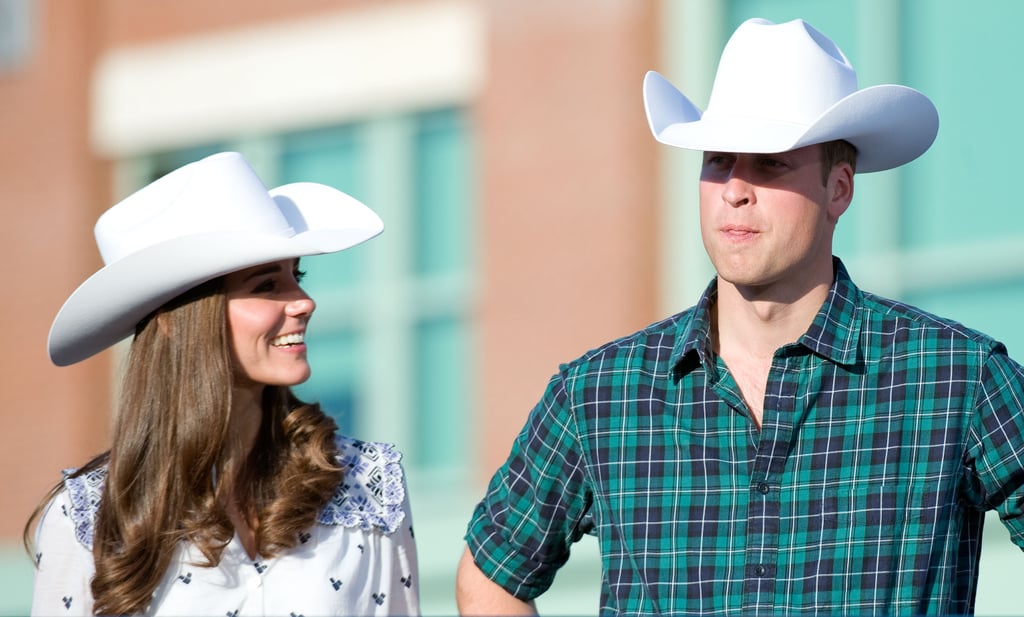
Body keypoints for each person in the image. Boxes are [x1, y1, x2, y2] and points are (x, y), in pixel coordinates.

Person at [456, 17, 1024, 616]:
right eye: (718, 159)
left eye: (770, 162)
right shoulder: (599, 393)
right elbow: (492, 574)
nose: (734, 189)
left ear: (839, 189)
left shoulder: (955, 376)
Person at [26, 152, 420, 616]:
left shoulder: (364, 484)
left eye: (298, 276)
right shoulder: (88, 517)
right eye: (267, 286)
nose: (304, 302)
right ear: (179, 320)